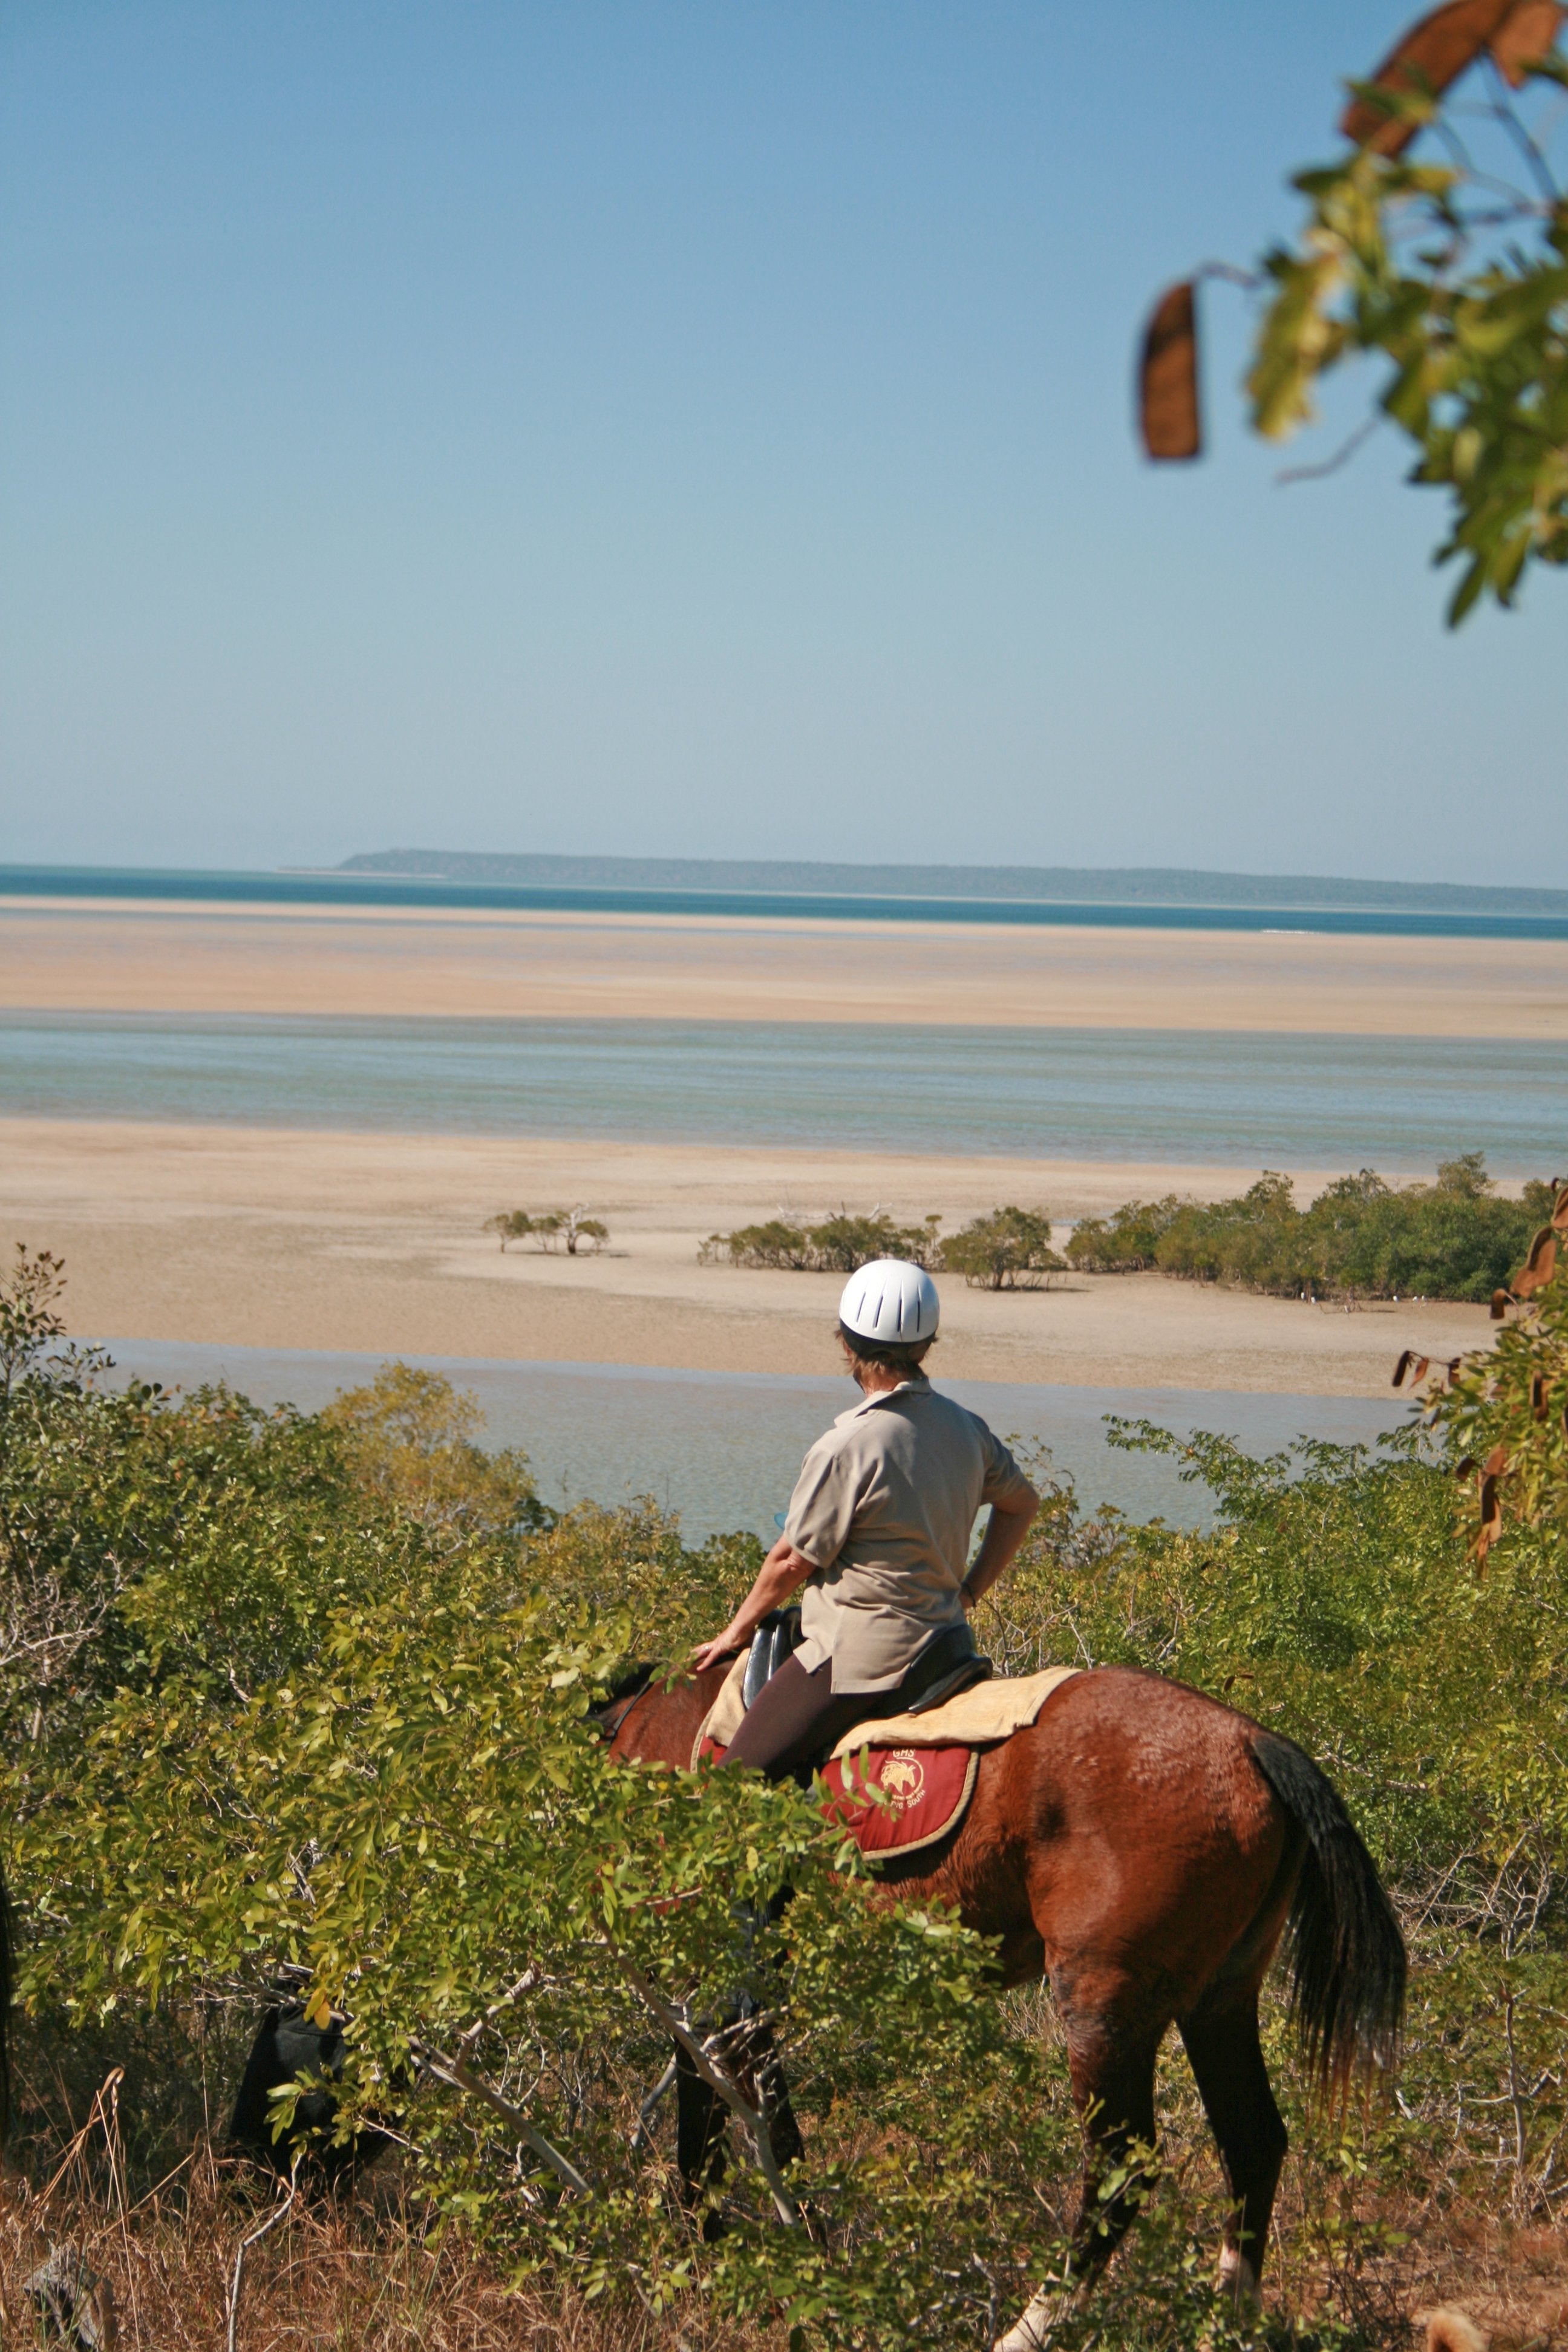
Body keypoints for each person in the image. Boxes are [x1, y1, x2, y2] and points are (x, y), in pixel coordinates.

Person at [693, 1258, 1039, 1779]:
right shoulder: (968, 1429)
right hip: (946, 1645)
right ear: (925, 1346)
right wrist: (967, 1595)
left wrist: (734, 1633)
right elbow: (1021, 1504)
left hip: (859, 1660)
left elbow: (790, 1562)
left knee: (732, 1785)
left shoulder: (846, 1445)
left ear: (846, 1344)